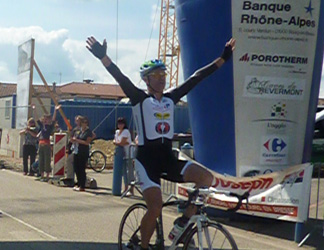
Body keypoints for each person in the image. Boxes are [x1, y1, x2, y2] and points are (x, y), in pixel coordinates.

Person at [87, 36, 235, 249]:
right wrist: (103, 57)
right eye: (156, 75)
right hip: (146, 161)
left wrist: (222, 59)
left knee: (206, 178)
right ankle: (144, 245)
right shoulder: (139, 98)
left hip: (167, 157)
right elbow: (120, 77)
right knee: (155, 207)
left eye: (163, 74)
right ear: (146, 80)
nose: (162, 78)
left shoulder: (170, 98)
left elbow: (196, 78)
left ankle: (183, 222)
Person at [36, 105, 61, 181]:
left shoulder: (50, 127)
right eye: (44, 119)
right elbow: (37, 119)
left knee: (47, 160)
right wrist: (34, 109)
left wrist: (55, 111)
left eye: (47, 119)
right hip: (41, 144)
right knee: (41, 159)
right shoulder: (41, 126)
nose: (45, 120)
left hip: (46, 144)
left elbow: (53, 120)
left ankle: (47, 175)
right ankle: (42, 174)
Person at [70, 116, 93, 191]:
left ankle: (82, 185)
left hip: (83, 152)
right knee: (76, 168)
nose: (84, 124)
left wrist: (77, 140)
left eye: (85, 123)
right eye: (83, 122)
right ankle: (79, 183)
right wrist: (73, 140)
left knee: (82, 169)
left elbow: (87, 142)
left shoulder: (88, 131)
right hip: (77, 150)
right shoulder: (79, 131)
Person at [113, 117, 133, 196]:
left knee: (129, 172)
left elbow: (121, 142)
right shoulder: (117, 132)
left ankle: (131, 190)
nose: (120, 125)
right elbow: (115, 141)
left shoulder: (126, 131)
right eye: (118, 124)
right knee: (124, 172)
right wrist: (118, 142)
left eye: (121, 123)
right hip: (121, 154)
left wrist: (117, 142)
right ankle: (125, 188)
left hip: (128, 154)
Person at [63, 115, 83, 187]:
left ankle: (79, 180)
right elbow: (71, 138)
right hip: (74, 148)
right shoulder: (75, 129)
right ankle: (70, 177)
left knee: (78, 165)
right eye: (76, 121)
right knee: (69, 161)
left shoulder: (82, 129)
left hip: (80, 148)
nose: (77, 122)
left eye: (78, 120)